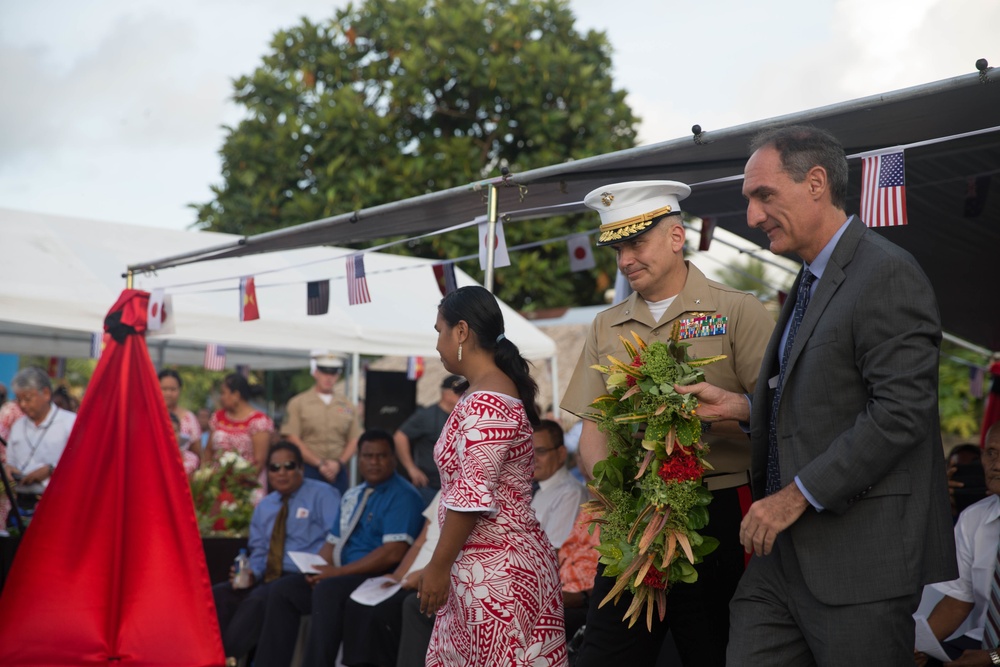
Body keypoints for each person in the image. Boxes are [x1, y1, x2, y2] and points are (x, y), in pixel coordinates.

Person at [677, 125, 957, 664]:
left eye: (764, 195)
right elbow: (823, 405)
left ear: (816, 183)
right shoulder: (810, 277)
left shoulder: (886, 272)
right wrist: (743, 408)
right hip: (782, 562)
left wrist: (793, 496)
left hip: (860, 562)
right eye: (749, 200)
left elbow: (901, 414)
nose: (753, 216)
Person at [561, 180, 774, 666]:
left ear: (677, 237)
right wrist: (607, 490)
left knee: (712, 651)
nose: (625, 259)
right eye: (617, 248)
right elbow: (594, 426)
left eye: (636, 243)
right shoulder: (605, 325)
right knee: (605, 653)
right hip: (633, 516)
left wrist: (735, 410)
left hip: (717, 509)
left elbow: (782, 409)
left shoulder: (736, 309)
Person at [418, 285, 567, 666]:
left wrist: (437, 566)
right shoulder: (483, 393)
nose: (437, 344)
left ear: (462, 331)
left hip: (500, 575)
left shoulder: (489, 402)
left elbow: (470, 495)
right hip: (486, 570)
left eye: (440, 330)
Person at [254, 429, 424, 667]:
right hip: (341, 575)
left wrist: (336, 573)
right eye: (368, 456)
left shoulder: (403, 495)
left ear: (393, 459)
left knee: (329, 590)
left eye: (381, 456)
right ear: (359, 459)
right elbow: (333, 542)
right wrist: (317, 570)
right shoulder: (353, 494)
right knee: (283, 590)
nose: (374, 462)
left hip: (374, 577)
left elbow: (393, 552)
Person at [211, 441, 340, 663]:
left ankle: (225, 657)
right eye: (274, 467)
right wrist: (252, 574)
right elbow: (259, 550)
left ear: (301, 468)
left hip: (305, 577)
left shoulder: (323, 495)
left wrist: (320, 569)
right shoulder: (265, 505)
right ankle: (210, 653)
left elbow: (336, 538)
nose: (281, 472)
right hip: (269, 576)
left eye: (288, 466)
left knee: (262, 599)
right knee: (219, 594)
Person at [915, 425, 1000, 667]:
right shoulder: (974, 519)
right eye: (991, 453)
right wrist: (917, 647)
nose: (996, 465)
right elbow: (958, 603)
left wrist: (994, 658)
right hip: (982, 638)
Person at [341, 491, 442, 667]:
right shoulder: (443, 492)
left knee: (385, 610)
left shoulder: (470, 493)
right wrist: (398, 575)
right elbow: (419, 542)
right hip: (408, 579)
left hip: (432, 579)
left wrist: (422, 574)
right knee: (356, 603)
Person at [281, 352, 362, 494]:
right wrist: (319, 463)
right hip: (308, 468)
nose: (328, 377)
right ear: (316, 373)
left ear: (338, 375)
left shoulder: (347, 405)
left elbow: (355, 438)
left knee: (337, 511)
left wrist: (339, 463)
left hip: (338, 469)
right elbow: (292, 437)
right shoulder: (298, 403)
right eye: (324, 372)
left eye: (333, 373)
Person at [4, 367, 77, 513]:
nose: (23, 405)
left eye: (28, 399)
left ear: (46, 394)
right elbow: (10, 461)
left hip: (58, 501)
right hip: (22, 501)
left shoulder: (69, 423)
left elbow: (81, 462)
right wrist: (9, 469)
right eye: (19, 400)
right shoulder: (18, 425)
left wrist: (51, 469)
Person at [393, 374, 464, 506]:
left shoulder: (462, 415)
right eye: (460, 393)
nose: (464, 397)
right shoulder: (427, 415)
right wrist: (411, 468)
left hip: (454, 488)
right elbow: (400, 437)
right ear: (447, 394)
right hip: (429, 486)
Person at [531, 419, 588, 550]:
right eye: (528, 451)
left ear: (561, 453)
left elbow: (553, 551)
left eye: (540, 451)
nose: (532, 458)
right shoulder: (533, 487)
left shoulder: (571, 493)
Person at [206, 373, 273, 471]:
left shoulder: (259, 422)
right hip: (216, 481)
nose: (221, 398)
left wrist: (238, 483)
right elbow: (208, 451)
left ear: (236, 395)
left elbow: (259, 462)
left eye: (223, 393)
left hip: (247, 481)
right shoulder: (217, 417)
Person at [158, 369, 202, 474]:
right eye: (164, 389)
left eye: (173, 389)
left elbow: (197, 451)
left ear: (180, 390)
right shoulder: (147, 416)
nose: (168, 393)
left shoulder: (189, 418)